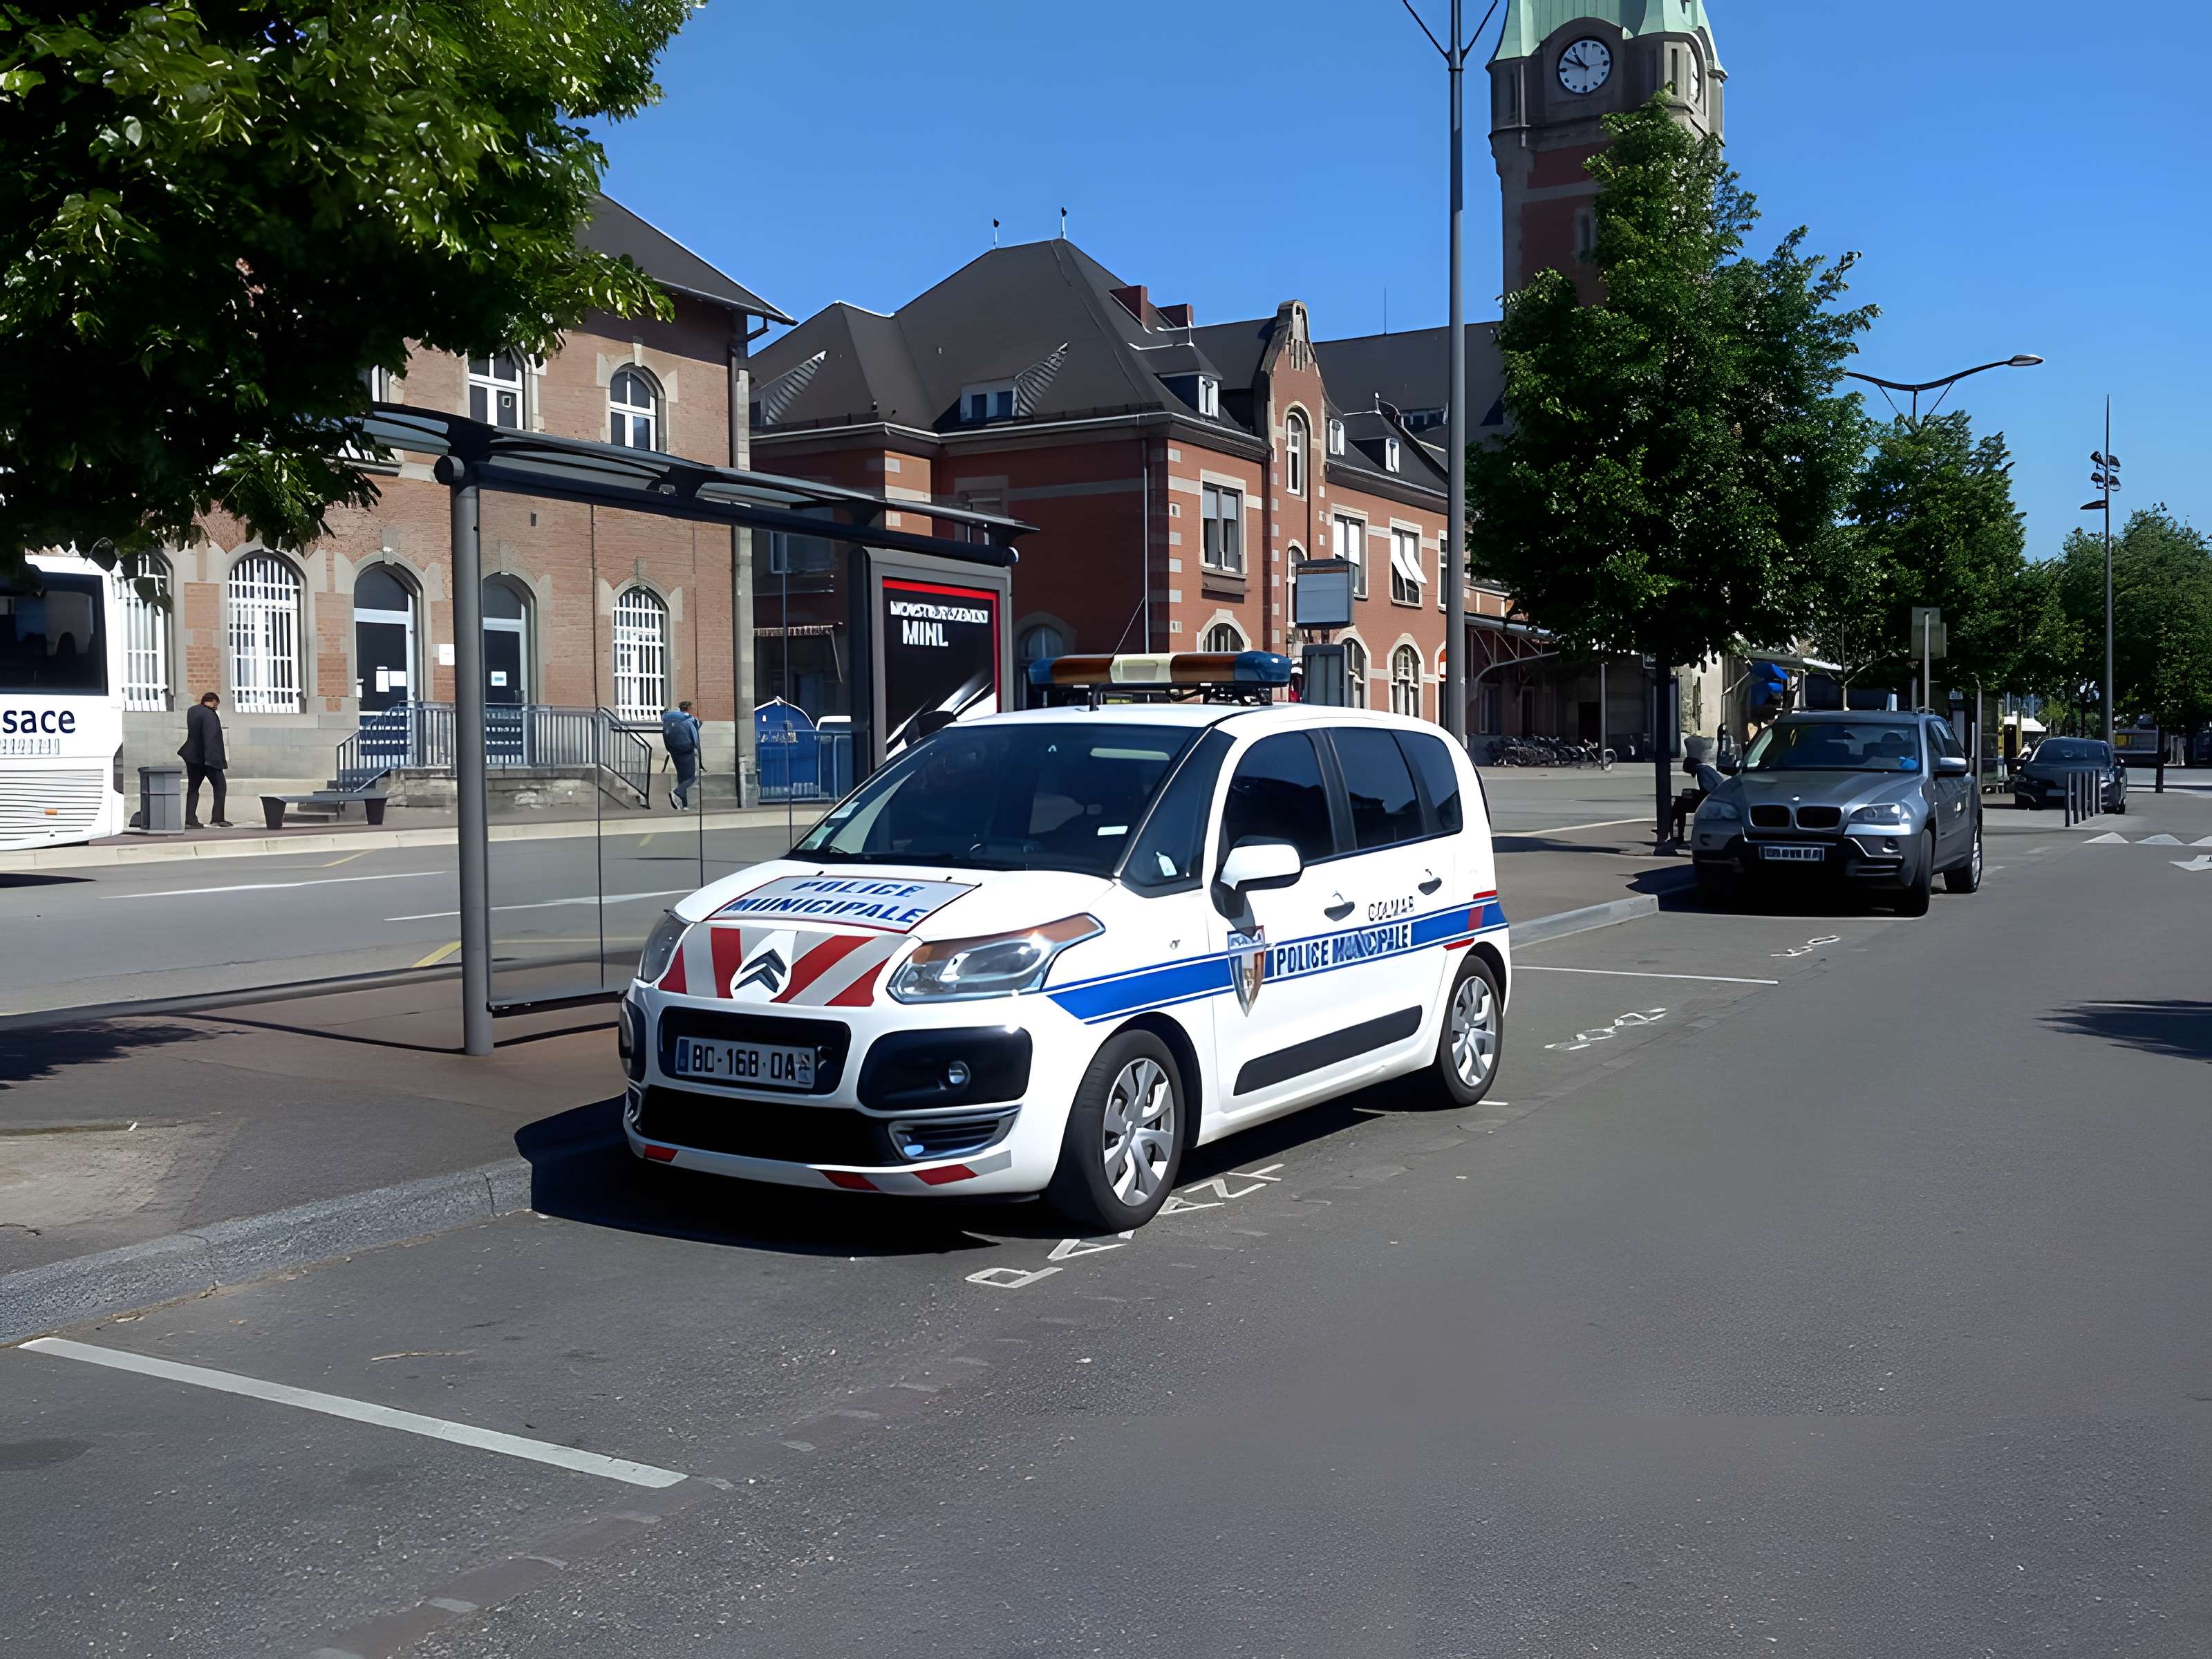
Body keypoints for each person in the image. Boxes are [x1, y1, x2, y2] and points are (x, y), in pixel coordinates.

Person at [180, 691, 232, 827]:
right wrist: (215, 761)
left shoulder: (192, 711)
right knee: (220, 786)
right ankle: (218, 818)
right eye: (217, 705)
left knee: (193, 788)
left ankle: (190, 819)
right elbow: (211, 738)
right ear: (214, 702)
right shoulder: (210, 715)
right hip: (208, 758)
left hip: (192, 757)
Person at [1670, 737, 1728, 842]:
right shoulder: (1703, 769)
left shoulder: (1702, 771)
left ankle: (1676, 833)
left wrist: (1695, 794)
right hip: (1710, 798)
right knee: (1679, 802)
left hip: (1712, 800)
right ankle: (1674, 830)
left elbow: (1709, 791)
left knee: (1680, 806)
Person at [660, 699, 701, 809]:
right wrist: (698, 753)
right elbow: (696, 739)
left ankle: (685, 805)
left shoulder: (671, 718)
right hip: (686, 750)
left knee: (682, 778)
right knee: (692, 777)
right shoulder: (689, 720)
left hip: (673, 750)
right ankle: (676, 792)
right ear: (689, 709)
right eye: (693, 708)